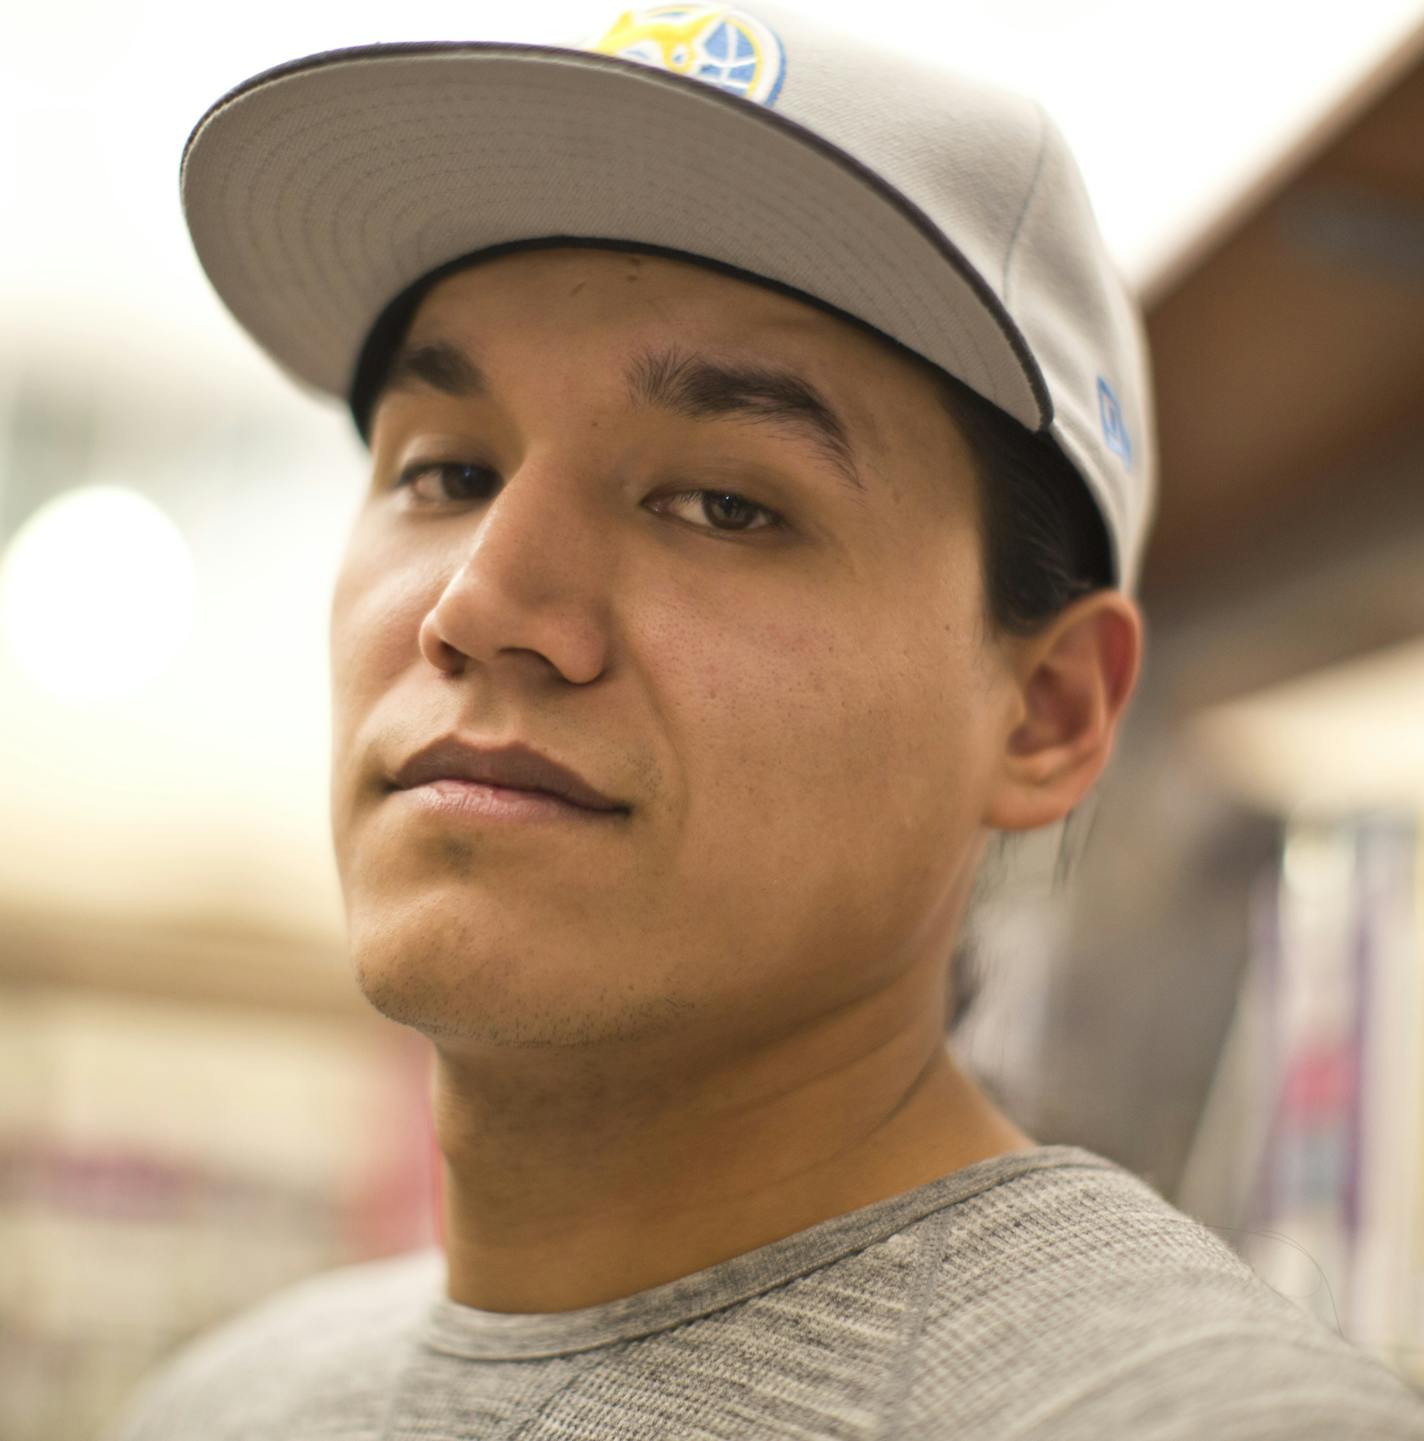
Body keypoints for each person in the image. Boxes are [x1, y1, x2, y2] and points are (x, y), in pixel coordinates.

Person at [103, 3, 1424, 1438]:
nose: (481, 604)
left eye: (724, 502)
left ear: (1046, 711)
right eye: (448, 470)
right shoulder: (218, 1404)